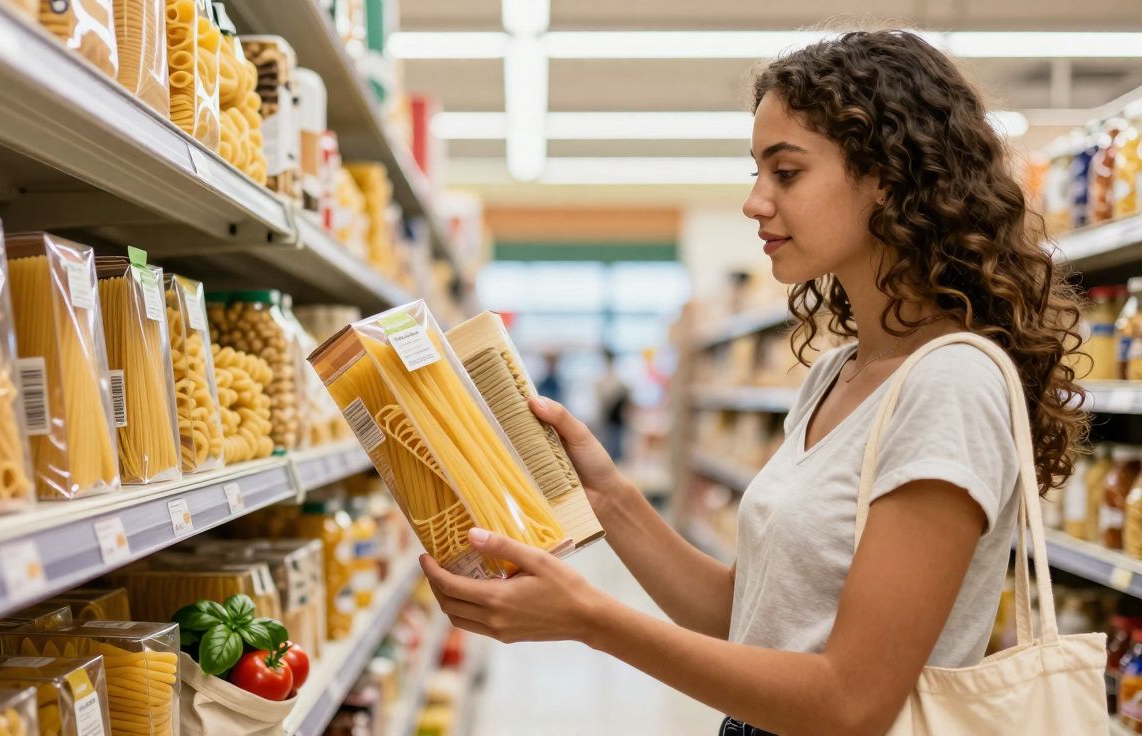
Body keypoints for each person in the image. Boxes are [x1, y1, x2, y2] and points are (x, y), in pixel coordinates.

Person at [419, 29, 1088, 735]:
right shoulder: (837, 373)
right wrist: (606, 496)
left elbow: (852, 702)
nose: (755, 202)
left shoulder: (951, 384)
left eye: (787, 173)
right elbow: (754, 618)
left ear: (890, 177)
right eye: (756, 173)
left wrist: (591, 620)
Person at [592, 348, 630, 462]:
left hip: (614, 418)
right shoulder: (605, 378)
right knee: (610, 445)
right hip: (609, 418)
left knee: (614, 445)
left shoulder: (612, 378)